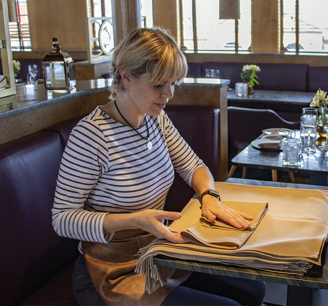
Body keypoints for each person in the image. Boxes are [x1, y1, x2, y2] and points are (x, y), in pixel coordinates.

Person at [52, 27, 266, 306]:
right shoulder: (92, 135)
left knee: (255, 290)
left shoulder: (156, 120)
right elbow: (62, 219)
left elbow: (193, 166)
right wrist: (133, 220)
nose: (169, 93)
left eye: (173, 83)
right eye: (158, 85)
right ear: (126, 76)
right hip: (110, 270)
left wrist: (209, 196)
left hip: (157, 251)